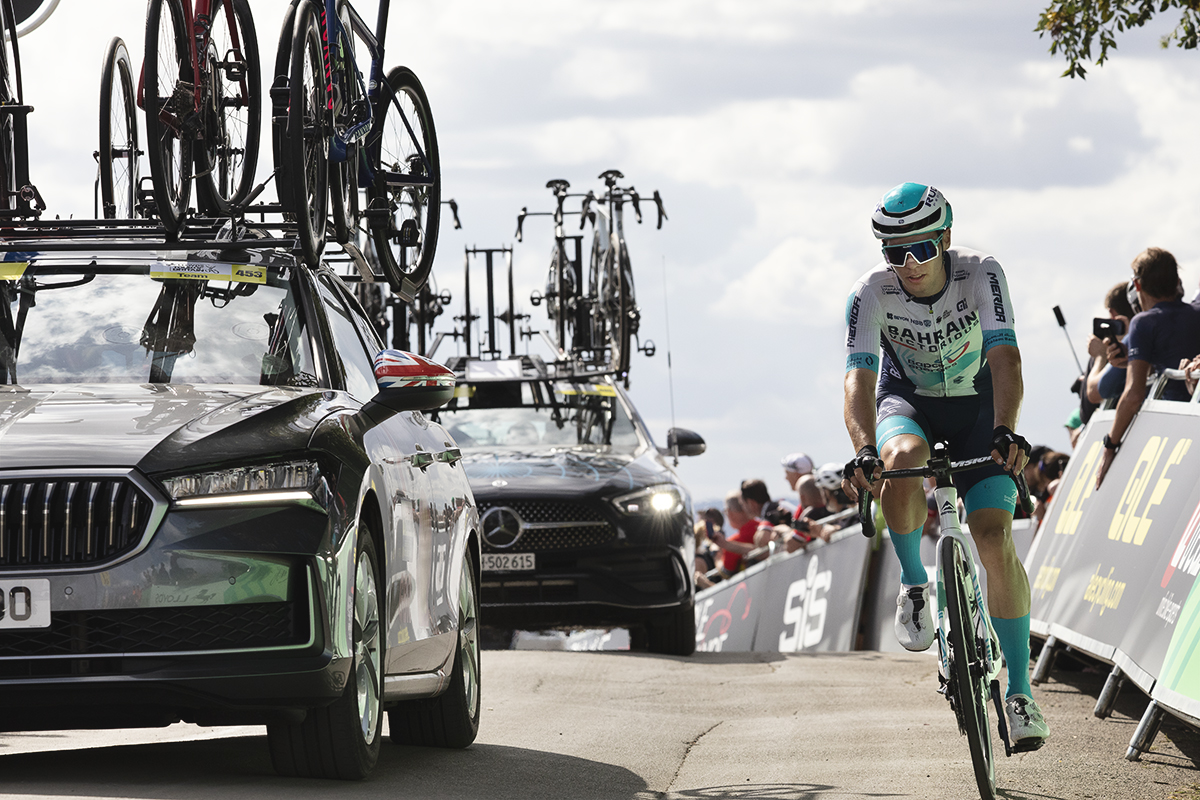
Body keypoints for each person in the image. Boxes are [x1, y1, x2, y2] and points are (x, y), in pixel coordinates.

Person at [840, 182, 1049, 747]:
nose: (909, 264)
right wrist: (864, 447)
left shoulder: (981, 273)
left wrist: (1006, 428)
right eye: (894, 252)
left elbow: (1006, 355)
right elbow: (858, 377)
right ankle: (914, 586)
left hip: (978, 410)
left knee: (992, 539)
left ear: (946, 238)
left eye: (922, 249)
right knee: (901, 459)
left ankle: (1021, 692)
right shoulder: (870, 292)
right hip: (908, 404)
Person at [1096, 248, 1200, 487]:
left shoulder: (1143, 322)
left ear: (1137, 286)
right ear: (1177, 282)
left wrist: (1110, 446)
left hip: (1173, 428)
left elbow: (1133, 395)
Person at [709, 492, 772, 576]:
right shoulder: (766, 527)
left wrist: (717, 557)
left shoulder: (732, 543)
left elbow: (725, 573)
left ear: (729, 512)